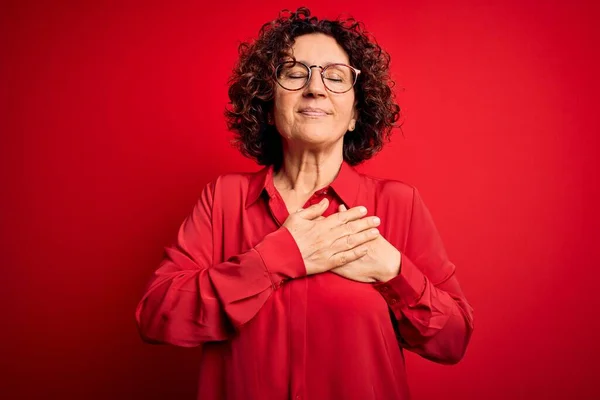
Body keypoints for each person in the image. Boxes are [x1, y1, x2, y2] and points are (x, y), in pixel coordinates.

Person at [135, 7, 474, 400]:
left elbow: (452, 341)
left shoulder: (398, 204)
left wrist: (394, 271)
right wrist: (277, 258)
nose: (315, 88)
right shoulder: (222, 199)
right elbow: (158, 317)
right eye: (295, 73)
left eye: (335, 76)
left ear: (354, 116)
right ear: (268, 105)